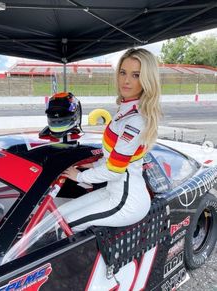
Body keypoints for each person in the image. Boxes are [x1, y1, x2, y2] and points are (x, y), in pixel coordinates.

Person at [59, 48, 162, 233]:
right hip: (114, 190)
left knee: (66, 226)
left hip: (127, 200)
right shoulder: (126, 109)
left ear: (147, 80)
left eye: (136, 75)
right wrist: (93, 165)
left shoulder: (136, 120)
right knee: (58, 215)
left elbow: (114, 170)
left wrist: (80, 176)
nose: (126, 80)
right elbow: (113, 156)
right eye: (123, 72)